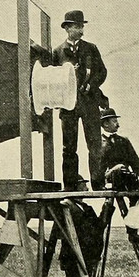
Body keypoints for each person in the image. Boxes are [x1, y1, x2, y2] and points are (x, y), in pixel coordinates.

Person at [50, 10, 108, 190]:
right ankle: (70, 186)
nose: (81, 30)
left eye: (82, 26)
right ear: (67, 28)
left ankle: (98, 184)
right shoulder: (57, 52)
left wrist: (91, 85)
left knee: (95, 145)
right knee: (69, 148)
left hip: (89, 104)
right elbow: (54, 79)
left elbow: (102, 72)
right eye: (77, 26)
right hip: (68, 107)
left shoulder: (91, 48)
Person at [58, 178, 105, 277]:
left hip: (87, 257)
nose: (86, 188)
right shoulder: (67, 206)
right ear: (75, 187)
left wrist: (107, 207)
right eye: (83, 185)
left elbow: (99, 226)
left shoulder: (86, 208)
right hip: (74, 259)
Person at [99, 108, 139, 193]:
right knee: (119, 167)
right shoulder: (98, 143)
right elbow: (98, 168)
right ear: (106, 124)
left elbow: (135, 162)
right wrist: (101, 184)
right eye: (114, 121)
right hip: (109, 181)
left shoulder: (124, 141)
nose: (118, 124)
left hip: (125, 179)